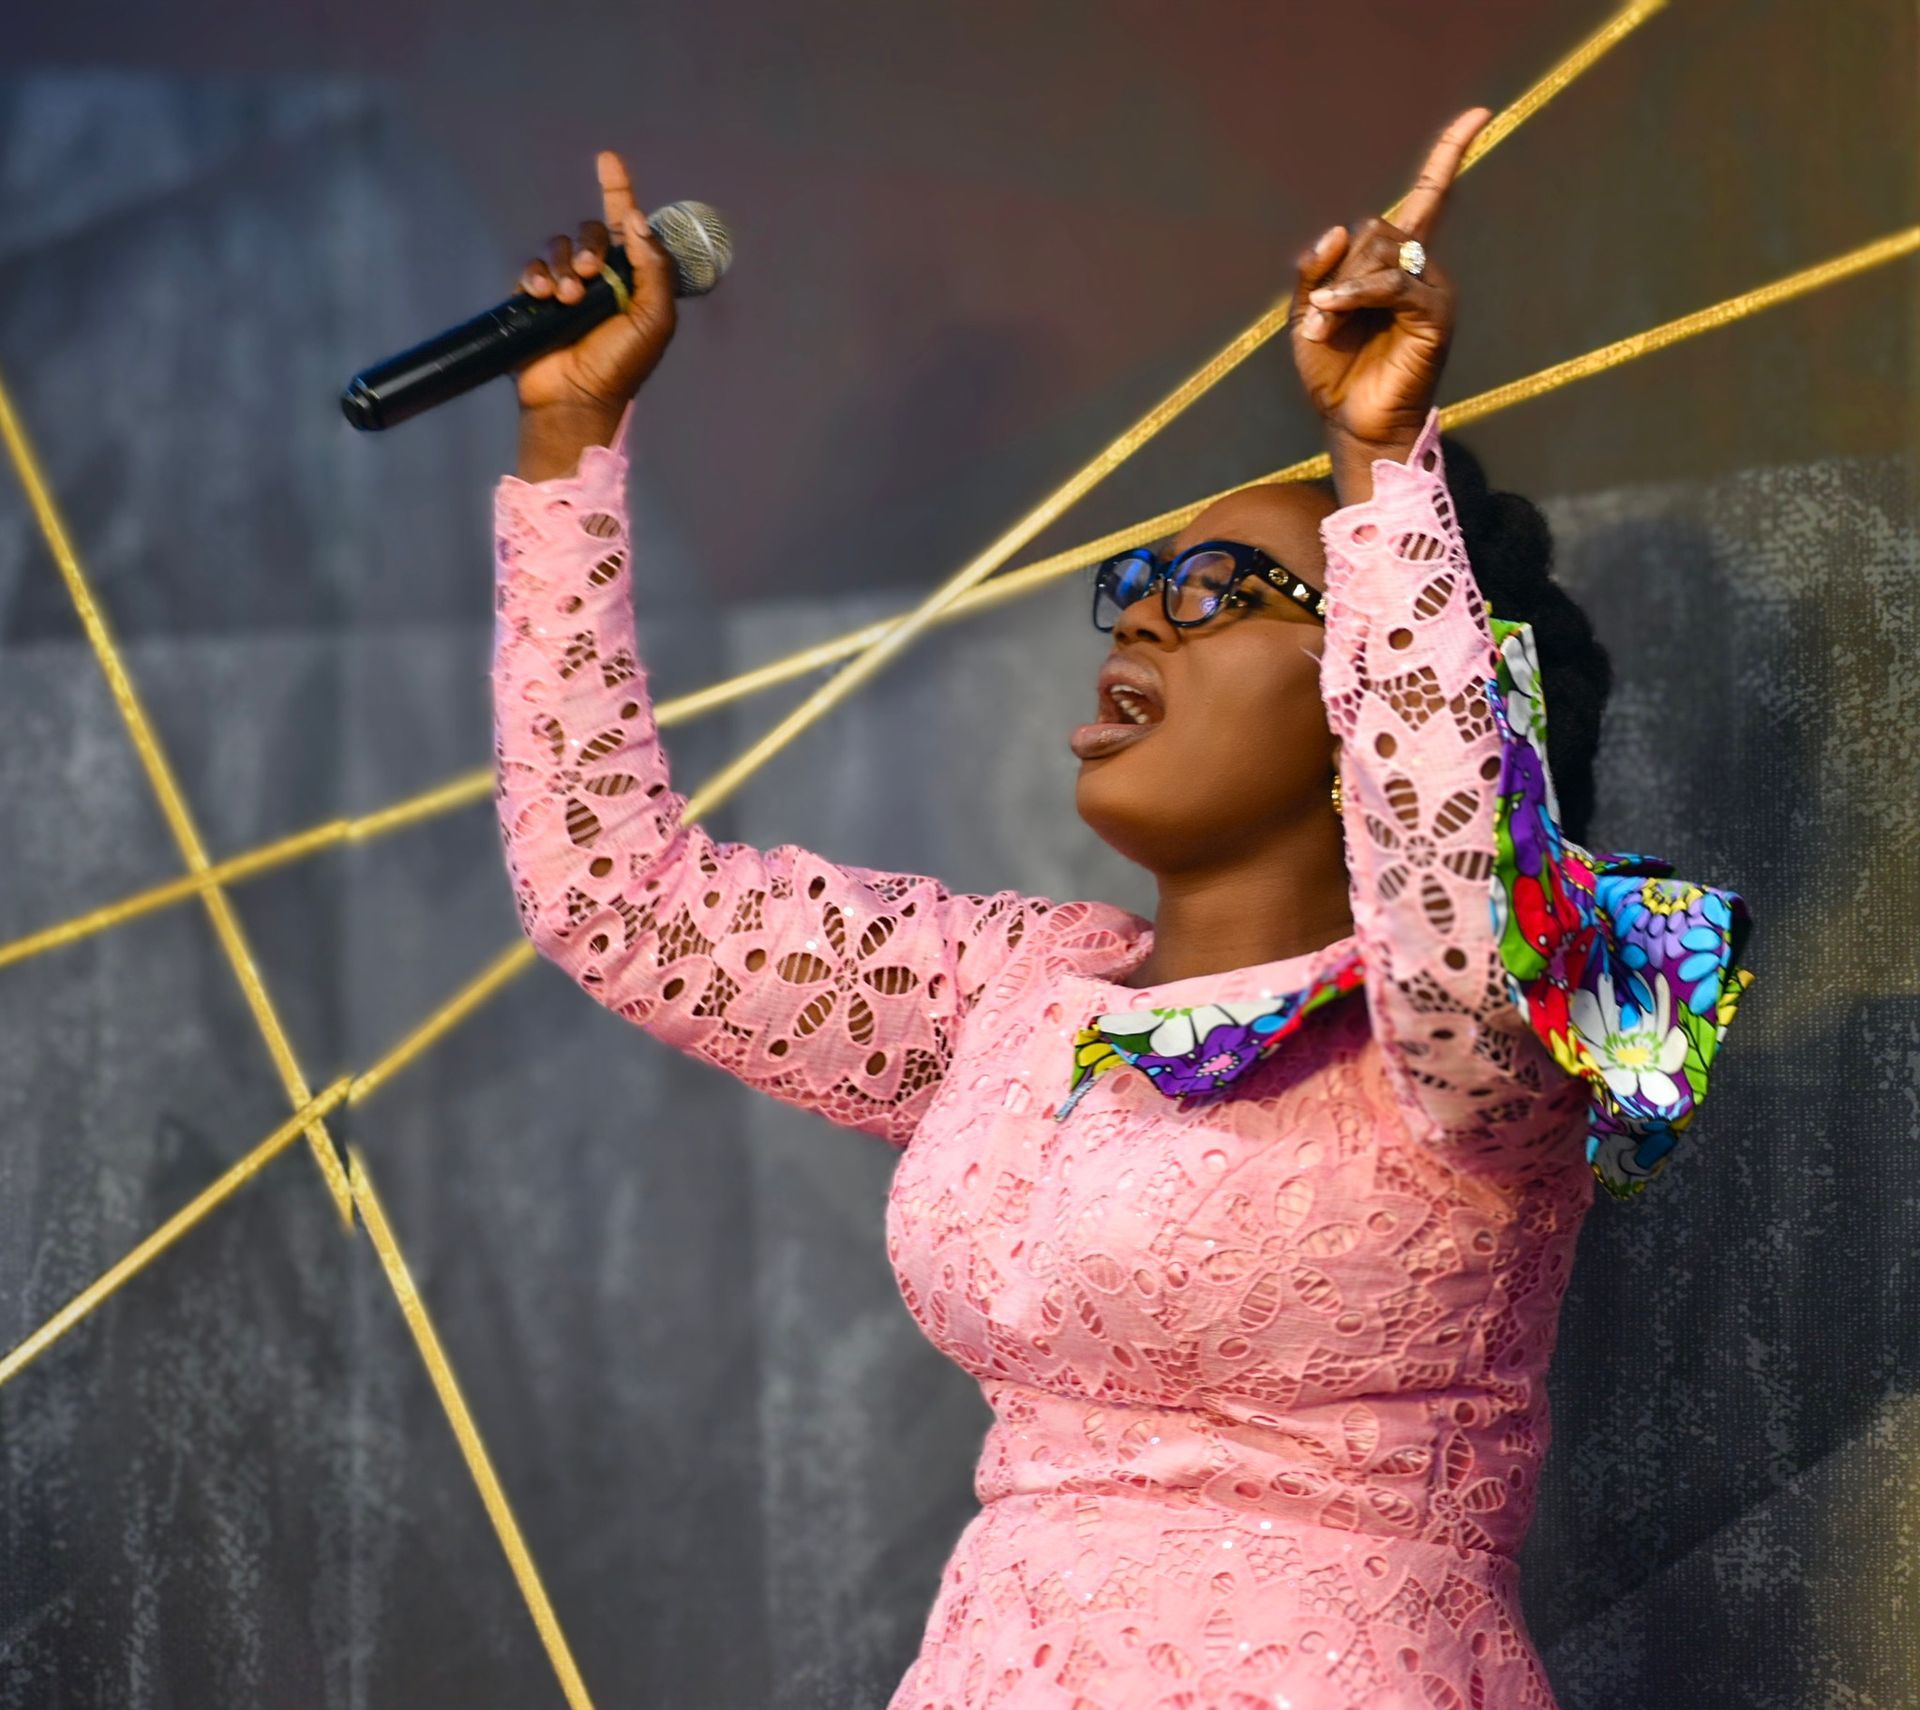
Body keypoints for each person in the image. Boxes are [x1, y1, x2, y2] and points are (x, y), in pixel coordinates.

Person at [491, 109, 1752, 1710]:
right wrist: (566, 457)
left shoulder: (1496, 1021)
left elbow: (1446, 880)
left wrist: (1382, 470)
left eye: (1222, 594)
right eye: (1140, 585)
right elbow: (624, 899)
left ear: (1373, 658)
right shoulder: (1020, 992)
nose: (1142, 623)